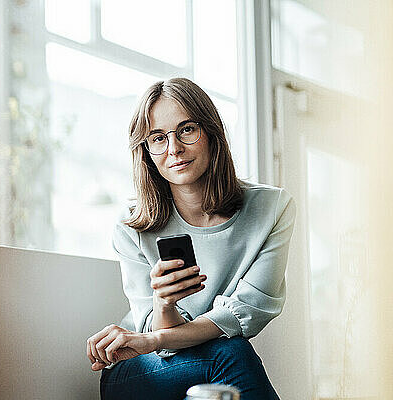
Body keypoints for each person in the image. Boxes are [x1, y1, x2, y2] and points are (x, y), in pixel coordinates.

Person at [86, 78, 296, 400]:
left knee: (228, 356)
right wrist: (164, 303)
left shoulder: (273, 209)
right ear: (147, 151)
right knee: (231, 354)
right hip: (139, 367)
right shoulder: (132, 228)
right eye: (158, 138)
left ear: (211, 132)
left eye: (186, 130)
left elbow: (243, 314)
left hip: (178, 349)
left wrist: (157, 338)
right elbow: (152, 336)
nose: (174, 150)